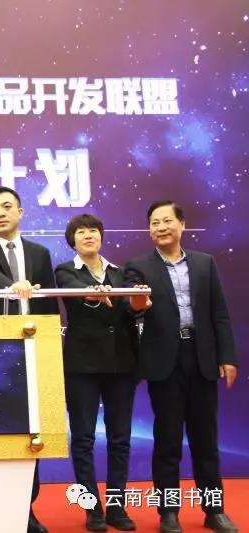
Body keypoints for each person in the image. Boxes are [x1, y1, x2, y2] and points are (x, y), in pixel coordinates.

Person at [125, 201, 239, 533]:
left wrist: (227, 356)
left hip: (202, 357)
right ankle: (168, 512)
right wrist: (138, 303)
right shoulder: (138, 266)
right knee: (168, 440)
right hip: (164, 362)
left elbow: (219, 313)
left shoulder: (205, 263)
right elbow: (133, 310)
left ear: (182, 224)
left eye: (166, 221)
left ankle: (214, 510)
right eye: (154, 223)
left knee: (206, 439)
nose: (160, 227)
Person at [0, 185, 58, 533]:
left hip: (33, 352)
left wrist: (50, 346)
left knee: (32, 432)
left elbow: (49, 304)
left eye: (7, 206)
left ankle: (26, 508)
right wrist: (13, 286)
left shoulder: (40, 253)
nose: (1, 213)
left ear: (20, 212)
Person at [54, 214, 138, 532]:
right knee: (83, 438)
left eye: (93, 230)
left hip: (121, 364)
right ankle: (92, 509)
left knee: (120, 438)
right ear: (72, 240)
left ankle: (117, 507)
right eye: (81, 232)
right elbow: (75, 290)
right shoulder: (65, 270)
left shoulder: (121, 271)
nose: (88, 235)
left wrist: (138, 301)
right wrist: (97, 292)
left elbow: (132, 308)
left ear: (101, 236)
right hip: (82, 367)